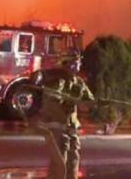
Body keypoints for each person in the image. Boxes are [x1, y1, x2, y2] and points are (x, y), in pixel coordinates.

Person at [30, 51, 95, 179]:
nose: (77, 66)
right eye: (74, 63)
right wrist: (68, 99)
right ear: (67, 63)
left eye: (78, 63)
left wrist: (94, 104)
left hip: (71, 127)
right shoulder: (55, 80)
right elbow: (47, 91)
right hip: (57, 127)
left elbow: (89, 102)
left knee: (73, 159)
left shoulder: (79, 83)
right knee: (60, 162)